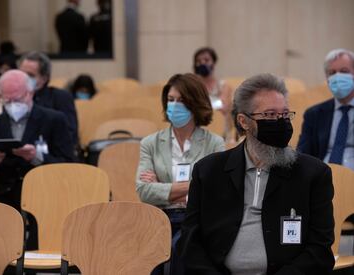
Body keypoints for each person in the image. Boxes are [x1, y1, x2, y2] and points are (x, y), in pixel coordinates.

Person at [177, 73, 335, 275]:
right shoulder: (208, 171)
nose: (281, 121)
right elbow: (190, 241)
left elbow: (320, 249)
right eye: (270, 115)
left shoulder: (313, 174)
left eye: (285, 114)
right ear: (243, 121)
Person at [135, 73, 225, 274]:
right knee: (150, 251)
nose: (174, 106)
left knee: (180, 248)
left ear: (195, 104)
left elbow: (215, 191)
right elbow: (144, 191)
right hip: (159, 218)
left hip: (196, 219)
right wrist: (194, 186)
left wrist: (162, 186)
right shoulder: (150, 143)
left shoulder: (214, 143)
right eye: (170, 100)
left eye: (182, 100)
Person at [0, 70, 76, 211]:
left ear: (30, 93)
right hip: (4, 194)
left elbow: (69, 165)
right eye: (7, 100)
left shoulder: (54, 120)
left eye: (17, 100)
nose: (13, 105)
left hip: (45, 191)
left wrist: (36, 157)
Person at [297, 48, 354, 171]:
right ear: (327, 78)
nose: (338, 77)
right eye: (332, 73)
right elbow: (303, 153)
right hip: (322, 179)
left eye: (344, 71)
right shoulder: (313, 114)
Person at [19, 51, 80, 150]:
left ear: (44, 78)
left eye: (30, 75)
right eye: (21, 74)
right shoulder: (14, 98)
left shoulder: (61, 98)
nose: (24, 78)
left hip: (53, 156)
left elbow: (70, 136)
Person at [193, 47, 235, 143]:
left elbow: (223, 108)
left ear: (213, 63)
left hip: (222, 134)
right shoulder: (193, 88)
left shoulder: (224, 86)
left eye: (206, 60)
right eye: (199, 61)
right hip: (199, 133)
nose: (202, 63)